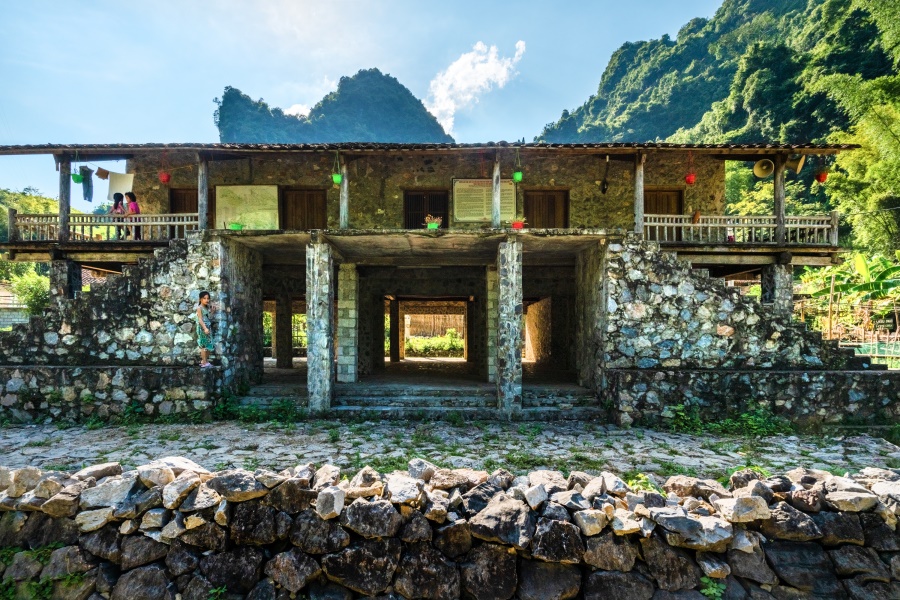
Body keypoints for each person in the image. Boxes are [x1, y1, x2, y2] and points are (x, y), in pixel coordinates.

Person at [195, 291, 214, 368]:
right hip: (202, 328)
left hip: (208, 327)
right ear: (200, 299)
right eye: (204, 298)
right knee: (203, 345)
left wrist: (212, 312)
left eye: (208, 298)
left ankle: (204, 361)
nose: (207, 300)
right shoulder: (199, 308)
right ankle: (204, 363)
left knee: (209, 345)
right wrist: (205, 328)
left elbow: (209, 318)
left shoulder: (206, 308)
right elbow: (200, 319)